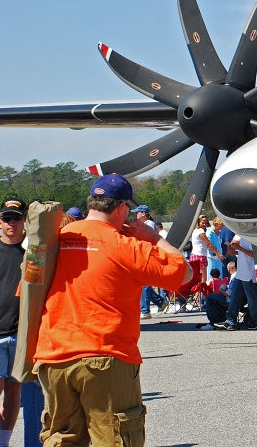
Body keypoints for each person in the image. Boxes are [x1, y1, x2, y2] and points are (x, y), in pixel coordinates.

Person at [33, 174, 192, 446]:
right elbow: (184, 273)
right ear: (121, 208)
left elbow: (29, 285)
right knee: (115, 438)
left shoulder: (58, 238)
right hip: (105, 354)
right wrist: (153, 237)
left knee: (61, 438)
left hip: (53, 356)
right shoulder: (125, 245)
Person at [0, 198, 27, 447]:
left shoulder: (32, 253)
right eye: (8, 219)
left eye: (17, 218)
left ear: (25, 222)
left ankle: (4, 443)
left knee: (14, 391)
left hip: (22, 333)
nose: (12, 223)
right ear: (0, 222)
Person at [215, 234, 257, 330]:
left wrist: (239, 248)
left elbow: (255, 254)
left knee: (253, 298)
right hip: (241, 272)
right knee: (235, 297)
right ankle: (230, 320)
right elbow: (239, 248)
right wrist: (234, 251)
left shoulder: (254, 237)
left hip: (250, 272)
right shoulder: (242, 235)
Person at [132, 205, 168, 320]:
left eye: (137, 213)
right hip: (144, 255)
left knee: (145, 283)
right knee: (143, 283)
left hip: (147, 255)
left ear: (143, 213)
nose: (135, 215)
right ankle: (160, 301)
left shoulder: (149, 224)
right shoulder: (147, 224)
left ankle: (145, 310)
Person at [189, 216, 222, 286]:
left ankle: (197, 295)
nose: (204, 225)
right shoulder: (200, 231)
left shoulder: (195, 230)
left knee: (197, 279)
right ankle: (201, 295)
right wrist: (218, 253)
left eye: (206, 223)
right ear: (198, 222)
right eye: (203, 223)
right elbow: (208, 244)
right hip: (200, 256)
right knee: (203, 279)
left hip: (193, 255)